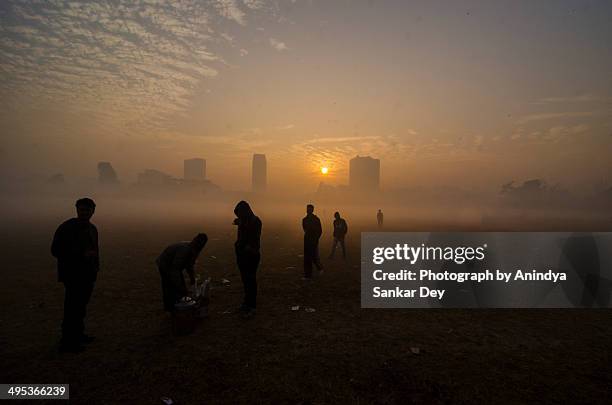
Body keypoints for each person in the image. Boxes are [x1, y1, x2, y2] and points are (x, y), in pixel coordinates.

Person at [51, 197, 99, 353]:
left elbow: (95, 251)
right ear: (77, 210)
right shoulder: (67, 227)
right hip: (73, 274)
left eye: (87, 210)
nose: (84, 212)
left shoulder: (92, 228)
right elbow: (55, 250)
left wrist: (95, 269)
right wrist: (80, 255)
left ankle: (78, 335)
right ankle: (68, 342)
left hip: (87, 274)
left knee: (81, 307)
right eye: (81, 209)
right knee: (72, 308)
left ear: (93, 211)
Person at [156, 233, 208, 313]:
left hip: (174, 266)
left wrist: (192, 277)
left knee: (178, 285)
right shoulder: (185, 250)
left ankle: (178, 304)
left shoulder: (194, 250)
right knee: (169, 285)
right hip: (165, 264)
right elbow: (175, 270)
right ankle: (171, 307)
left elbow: (190, 265)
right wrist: (181, 287)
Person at [233, 201, 262, 318]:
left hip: (251, 255)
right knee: (245, 280)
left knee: (250, 280)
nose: (238, 216)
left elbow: (254, 238)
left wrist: (246, 248)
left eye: (239, 214)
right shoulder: (244, 221)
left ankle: (252, 306)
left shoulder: (255, 221)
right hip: (241, 254)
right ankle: (246, 303)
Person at [302, 204, 323, 279]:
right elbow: (305, 229)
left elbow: (320, 230)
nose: (308, 210)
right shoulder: (304, 219)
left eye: (310, 209)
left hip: (313, 241)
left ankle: (318, 269)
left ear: (312, 210)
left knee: (313, 256)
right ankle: (308, 274)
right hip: (307, 241)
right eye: (307, 209)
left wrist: (316, 239)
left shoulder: (316, 219)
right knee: (307, 258)